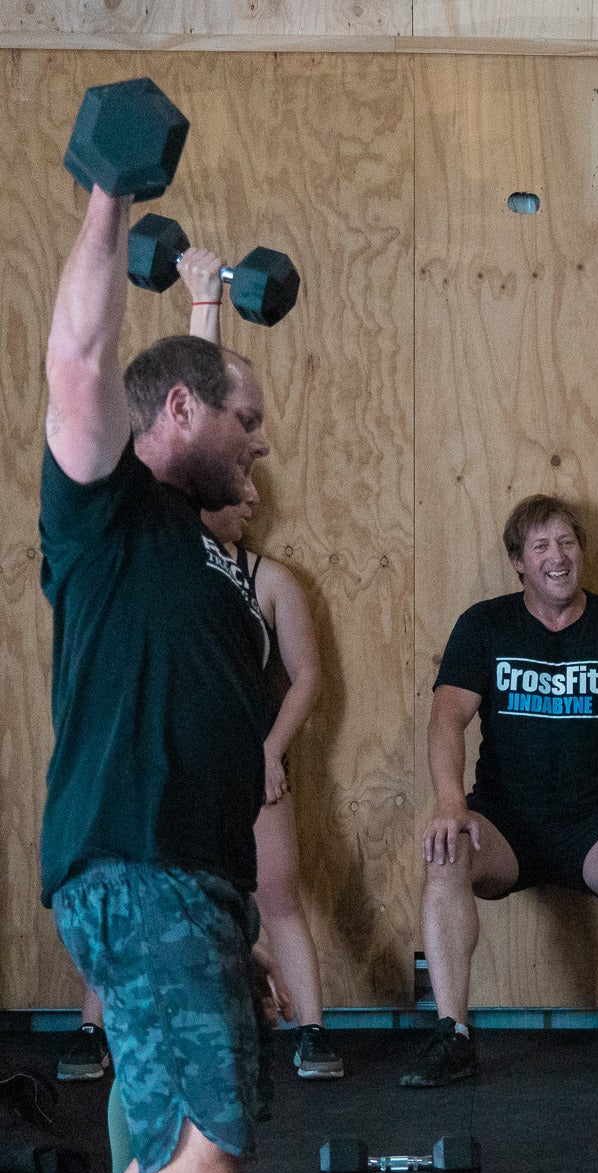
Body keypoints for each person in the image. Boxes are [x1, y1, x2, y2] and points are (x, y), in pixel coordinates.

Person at [42, 180, 281, 1173]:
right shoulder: (112, 514)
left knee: (158, 1157)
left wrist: (206, 301)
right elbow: (85, 363)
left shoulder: (200, 546)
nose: (263, 441)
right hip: (140, 875)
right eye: (250, 420)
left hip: (187, 887)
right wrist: (108, 195)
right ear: (181, 414)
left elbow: (195, 381)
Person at [56, 247, 342, 1086]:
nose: (253, 456)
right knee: (201, 1163)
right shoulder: (151, 524)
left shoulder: (231, 568)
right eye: (246, 432)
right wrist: (200, 298)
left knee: (174, 1126)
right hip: (144, 850)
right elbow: (177, 410)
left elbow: (195, 402)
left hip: (206, 837)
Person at [400, 494, 598, 1089]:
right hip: (506, 824)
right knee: (445, 853)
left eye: (567, 543)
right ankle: (452, 1035)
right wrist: (450, 804)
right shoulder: (485, 624)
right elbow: (445, 718)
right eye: (541, 546)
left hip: (597, 825)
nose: (557, 557)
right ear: (518, 561)